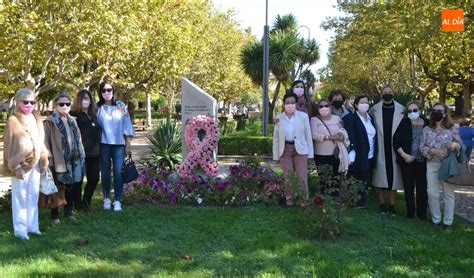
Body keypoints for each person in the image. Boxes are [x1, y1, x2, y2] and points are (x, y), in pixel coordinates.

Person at [3, 88, 49, 239]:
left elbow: (40, 140)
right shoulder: (12, 121)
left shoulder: (37, 118)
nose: (29, 105)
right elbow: (9, 146)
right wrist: (16, 166)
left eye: (32, 102)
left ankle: (33, 226)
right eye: (25, 102)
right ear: (18, 102)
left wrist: (44, 159)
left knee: (33, 194)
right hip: (21, 165)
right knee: (20, 196)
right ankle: (20, 230)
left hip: (35, 163)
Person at [43, 93, 86, 223]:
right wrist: (48, 160)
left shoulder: (73, 120)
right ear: (55, 106)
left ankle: (68, 212)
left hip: (74, 159)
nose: (65, 106)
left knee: (71, 186)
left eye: (67, 104)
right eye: (61, 104)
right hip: (58, 160)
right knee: (57, 187)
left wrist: (82, 155)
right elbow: (45, 142)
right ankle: (55, 216)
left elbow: (78, 139)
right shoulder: (50, 121)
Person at [420, 102, 461, 229]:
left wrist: (455, 146)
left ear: (444, 113)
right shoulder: (427, 129)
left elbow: (459, 145)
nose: (437, 112)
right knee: (432, 193)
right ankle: (436, 220)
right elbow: (422, 147)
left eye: (440, 110)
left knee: (448, 194)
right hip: (432, 164)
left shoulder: (452, 128)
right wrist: (434, 151)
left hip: (448, 166)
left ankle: (448, 223)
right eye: (435, 110)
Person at [97, 80, 136, 211]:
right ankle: (107, 198)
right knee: (106, 172)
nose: (107, 92)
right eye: (104, 90)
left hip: (119, 145)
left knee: (118, 172)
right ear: (100, 93)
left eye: (109, 90)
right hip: (104, 145)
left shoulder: (120, 105)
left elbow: (127, 124)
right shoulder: (98, 108)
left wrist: (128, 145)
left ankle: (118, 200)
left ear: (113, 91)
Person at [273, 92, 314, 207]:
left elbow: (308, 135)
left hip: (300, 149)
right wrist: (276, 156)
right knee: (288, 176)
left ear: (296, 104)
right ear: (284, 104)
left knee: (302, 176)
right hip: (285, 150)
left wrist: (310, 154)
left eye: (292, 102)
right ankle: (289, 200)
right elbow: (276, 138)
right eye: (287, 102)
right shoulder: (278, 118)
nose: (290, 105)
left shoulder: (303, 116)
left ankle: (303, 200)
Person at [369, 84, 404, 215]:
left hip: (395, 147)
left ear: (393, 93)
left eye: (390, 91)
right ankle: (381, 203)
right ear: (381, 94)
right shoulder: (374, 109)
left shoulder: (401, 109)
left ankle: (392, 205)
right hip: (380, 146)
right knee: (379, 176)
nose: (387, 93)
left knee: (393, 177)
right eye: (385, 92)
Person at [393, 101, 429, 220]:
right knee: (408, 188)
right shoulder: (404, 123)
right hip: (407, 161)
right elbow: (396, 141)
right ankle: (410, 214)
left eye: (415, 110)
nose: (412, 113)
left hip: (423, 161)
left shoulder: (427, 123)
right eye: (410, 111)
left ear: (420, 109)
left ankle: (422, 214)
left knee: (422, 189)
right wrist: (404, 155)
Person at [343, 95, 377, 208]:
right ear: (356, 105)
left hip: (370, 153)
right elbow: (350, 136)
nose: (365, 104)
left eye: (367, 102)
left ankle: (361, 202)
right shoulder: (350, 118)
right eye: (362, 102)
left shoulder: (371, 118)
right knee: (355, 177)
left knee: (364, 178)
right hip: (357, 153)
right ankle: (353, 201)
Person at [70, 89, 101, 211]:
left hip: (95, 153)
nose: (85, 101)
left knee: (94, 178)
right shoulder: (73, 114)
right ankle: (78, 206)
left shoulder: (94, 115)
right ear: (78, 100)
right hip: (80, 154)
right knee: (78, 180)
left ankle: (86, 202)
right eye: (83, 99)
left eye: (87, 99)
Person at [311, 99, 348, 193]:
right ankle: (324, 198)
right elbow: (314, 135)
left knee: (335, 176)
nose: (324, 108)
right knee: (323, 177)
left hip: (335, 152)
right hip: (320, 154)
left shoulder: (337, 118)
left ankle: (335, 198)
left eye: (326, 105)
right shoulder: (314, 120)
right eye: (321, 106)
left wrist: (340, 135)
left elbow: (342, 129)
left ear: (330, 107)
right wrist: (329, 137)